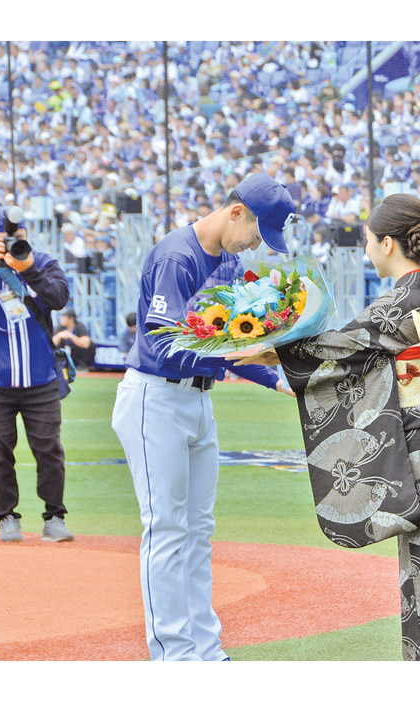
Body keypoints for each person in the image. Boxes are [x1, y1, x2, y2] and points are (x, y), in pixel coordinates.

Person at [267, 194, 420, 660]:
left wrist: (269, 348)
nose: (367, 252)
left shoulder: (399, 304)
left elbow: (338, 348)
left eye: (369, 242)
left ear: (389, 243)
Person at [111, 173, 295, 662]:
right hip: (156, 399)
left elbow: (229, 344)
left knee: (197, 529)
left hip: (196, 402)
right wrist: (252, 357)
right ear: (236, 212)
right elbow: (169, 344)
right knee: (167, 529)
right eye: (258, 232)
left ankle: (205, 650)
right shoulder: (177, 255)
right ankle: (174, 656)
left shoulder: (229, 260)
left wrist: (277, 378)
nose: (258, 244)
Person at [0, 206, 74, 543]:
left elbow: (59, 298)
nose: (12, 242)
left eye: (19, 236)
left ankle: (54, 516)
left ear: (27, 234)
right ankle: (6, 517)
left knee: (49, 450)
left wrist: (29, 269)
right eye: (3, 238)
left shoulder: (43, 262)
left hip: (41, 377)